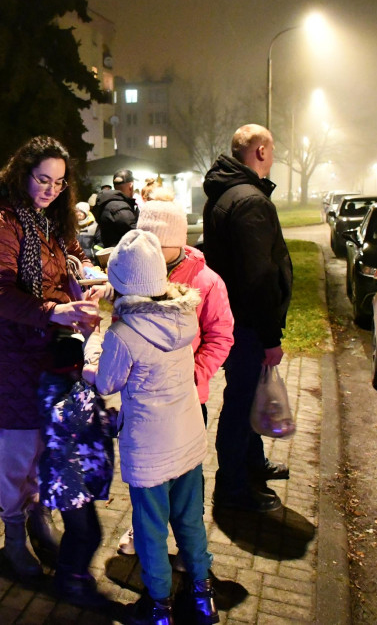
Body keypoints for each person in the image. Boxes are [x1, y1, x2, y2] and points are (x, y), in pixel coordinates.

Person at [0, 135, 102, 579]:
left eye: (59, 183)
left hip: (52, 346)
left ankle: (36, 515)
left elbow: (76, 260)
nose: (50, 190)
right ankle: (14, 534)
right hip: (13, 350)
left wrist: (94, 281)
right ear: (21, 172)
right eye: (42, 179)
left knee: (49, 440)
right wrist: (54, 309)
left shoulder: (52, 219)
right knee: (18, 443)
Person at [84, 230, 217, 625]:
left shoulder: (124, 335)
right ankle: (203, 595)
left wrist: (93, 344)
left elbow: (107, 382)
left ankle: (159, 607)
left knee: (150, 530)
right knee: (190, 521)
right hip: (189, 437)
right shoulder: (183, 313)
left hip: (150, 448)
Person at [116, 188, 235, 556]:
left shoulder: (207, 282)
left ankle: (189, 549)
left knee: (187, 481)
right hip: (142, 401)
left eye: (155, 242)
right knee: (146, 478)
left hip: (186, 400)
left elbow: (221, 335)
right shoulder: (137, 273)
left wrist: (196, 374)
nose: (147, 249)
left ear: (175, 242)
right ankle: (144, 533)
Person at [203, 123, 293, 513]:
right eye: (272, 151)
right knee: (240, 404)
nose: (273, 158)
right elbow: (259, 277)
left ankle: (253, 464)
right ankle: (232, 488)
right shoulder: (250, 201)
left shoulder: (223, 194)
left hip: (232, 318)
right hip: (248, 324)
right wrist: (270, 336)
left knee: (248, 394)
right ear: (259, 151)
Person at [38, 332, 115, 606]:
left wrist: (111, 419)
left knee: (87, 533)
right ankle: (70, 579)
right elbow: (68, 419)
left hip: (82, 479)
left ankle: (72, 573)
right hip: (68, 481)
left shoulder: (74, 389)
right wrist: (87, 387)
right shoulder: (53, 392)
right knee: (85, 533)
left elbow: (94, 419)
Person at [91, 169, 138, 247]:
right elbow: (134, 235)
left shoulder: (106, 203)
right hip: (121, 254)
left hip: (111, 252)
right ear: (131, 186)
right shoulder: (120, 208)